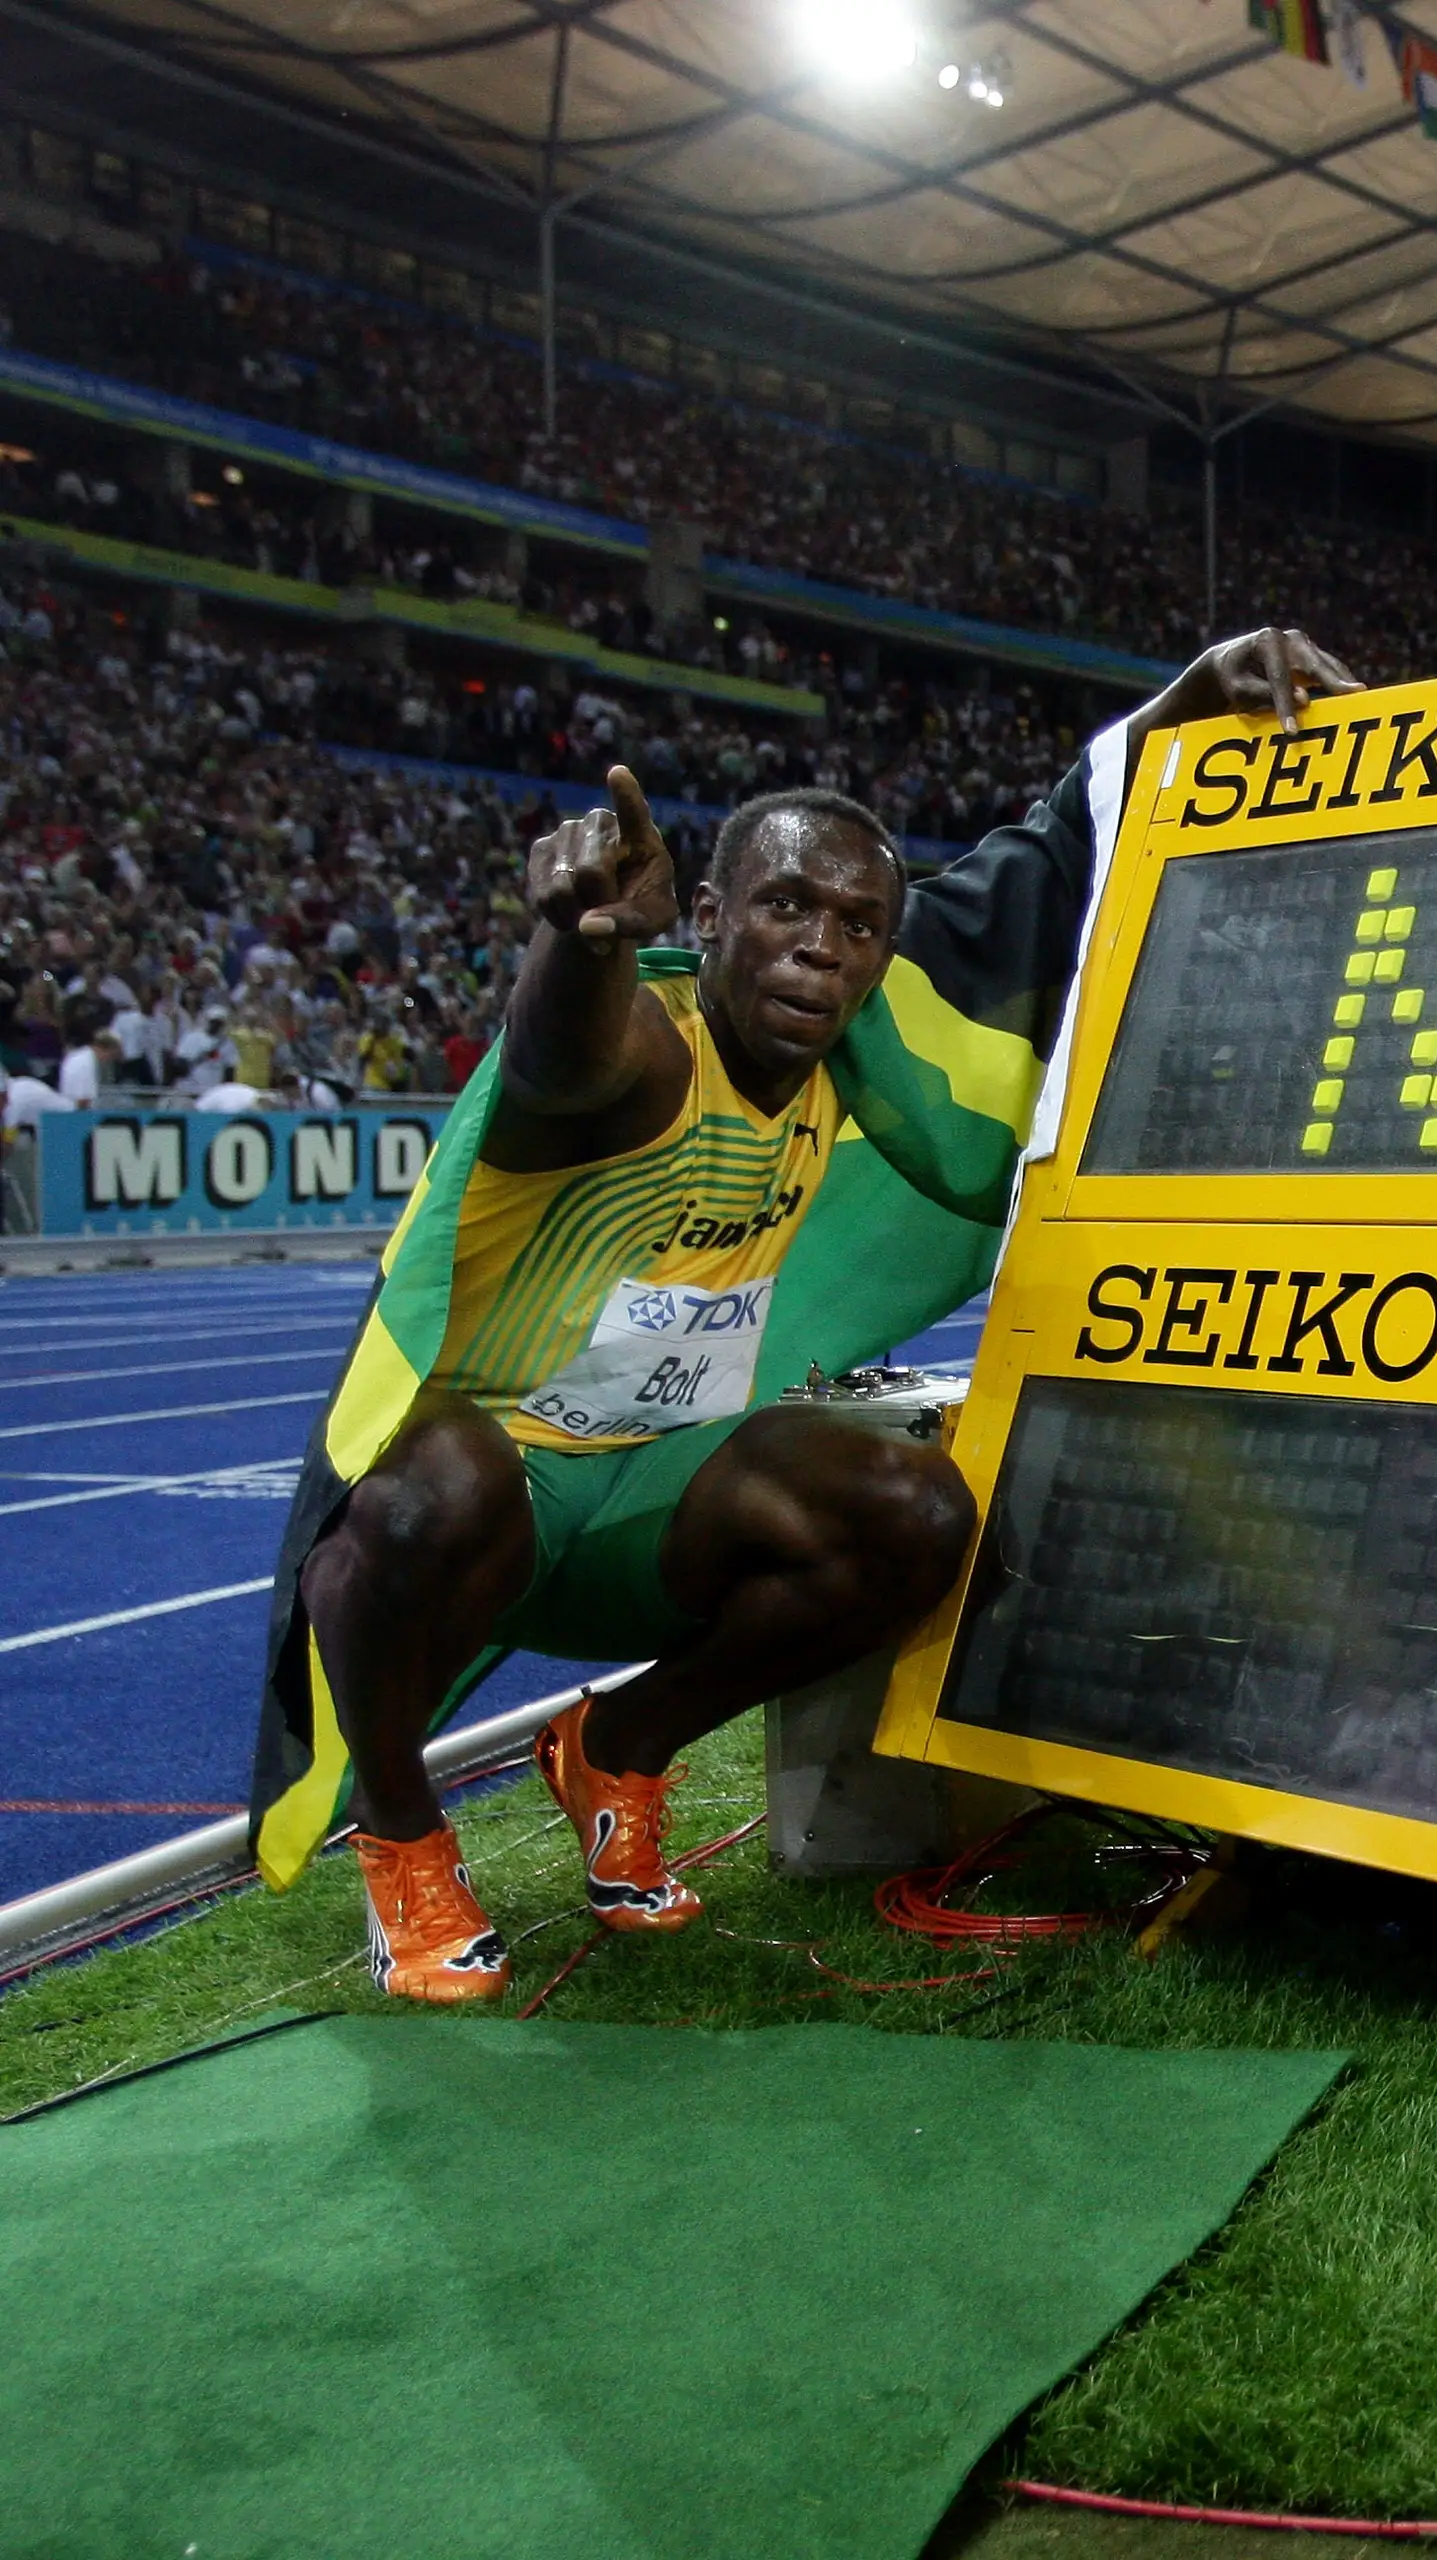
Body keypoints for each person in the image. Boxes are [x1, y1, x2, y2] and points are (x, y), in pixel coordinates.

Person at [246, 626, 1361, 1997]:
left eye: (856, 928)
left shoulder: (861, 1056)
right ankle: (406, 1837)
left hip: (654, 1502)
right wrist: (577, 942)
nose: (820, 950)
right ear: (708, 919)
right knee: (421, 1489)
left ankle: (621, 1749)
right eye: (784, 909)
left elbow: (1036, 864)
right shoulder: (646, 1050)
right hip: (498, 1513)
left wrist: (1189, 692)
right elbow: (557, 1058)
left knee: (919, 1514)